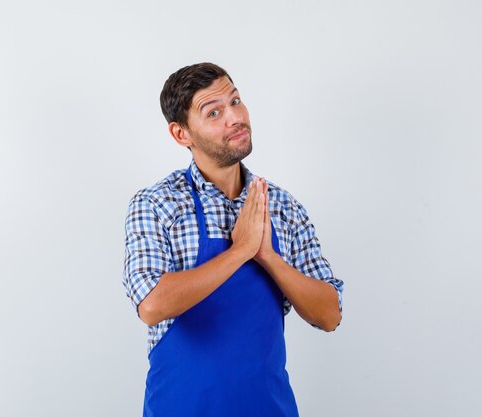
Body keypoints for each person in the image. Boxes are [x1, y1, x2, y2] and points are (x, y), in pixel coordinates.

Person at [122, 62, 344, 417]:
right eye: (214, 112)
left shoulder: (283, 207)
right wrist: (240, 251)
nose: (235, 117)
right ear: (182, 134)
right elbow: (152, 304)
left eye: (236, 101)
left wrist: (268, 256)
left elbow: (329, 314)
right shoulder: (157, 204)